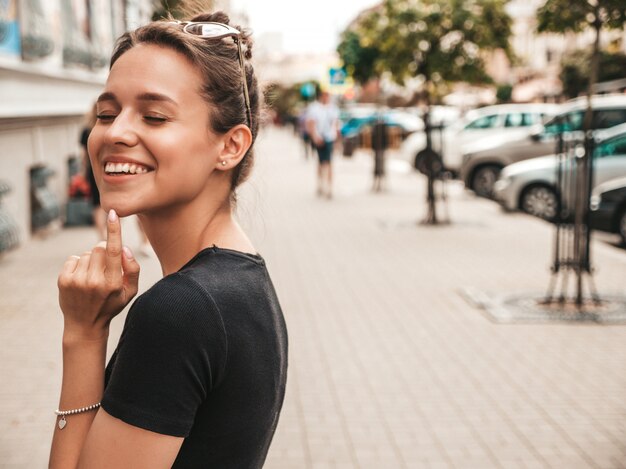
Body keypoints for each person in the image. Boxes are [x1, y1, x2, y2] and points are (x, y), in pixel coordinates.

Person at [49, 9, 288, 468]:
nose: (115, 133)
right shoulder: (241, 278)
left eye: (154, 117)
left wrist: (82, 334)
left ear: (230, 146)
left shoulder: (183, 310)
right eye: (106, 112)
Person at [306, 89, 339, 198]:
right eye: (324, 96)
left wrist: (336, 139)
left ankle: (329, 187)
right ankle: (320, 184)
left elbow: (336, 124)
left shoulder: (333, 109)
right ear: (321, 97)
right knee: (320, 163)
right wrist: (315, 137)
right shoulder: (314, 108)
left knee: (329, 163)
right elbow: (311, 123)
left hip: (329, 138)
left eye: (327, 96)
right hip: (318, 137)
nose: (326, 98)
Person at [80, 103, 107, 240]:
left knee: (97, 205)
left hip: (92, 170)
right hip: (109, 168)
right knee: (111, 203)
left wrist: (83, 172)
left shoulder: (86, 130)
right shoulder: (109, 129)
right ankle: (112, 235)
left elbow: (84, 155)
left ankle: (102, 238)